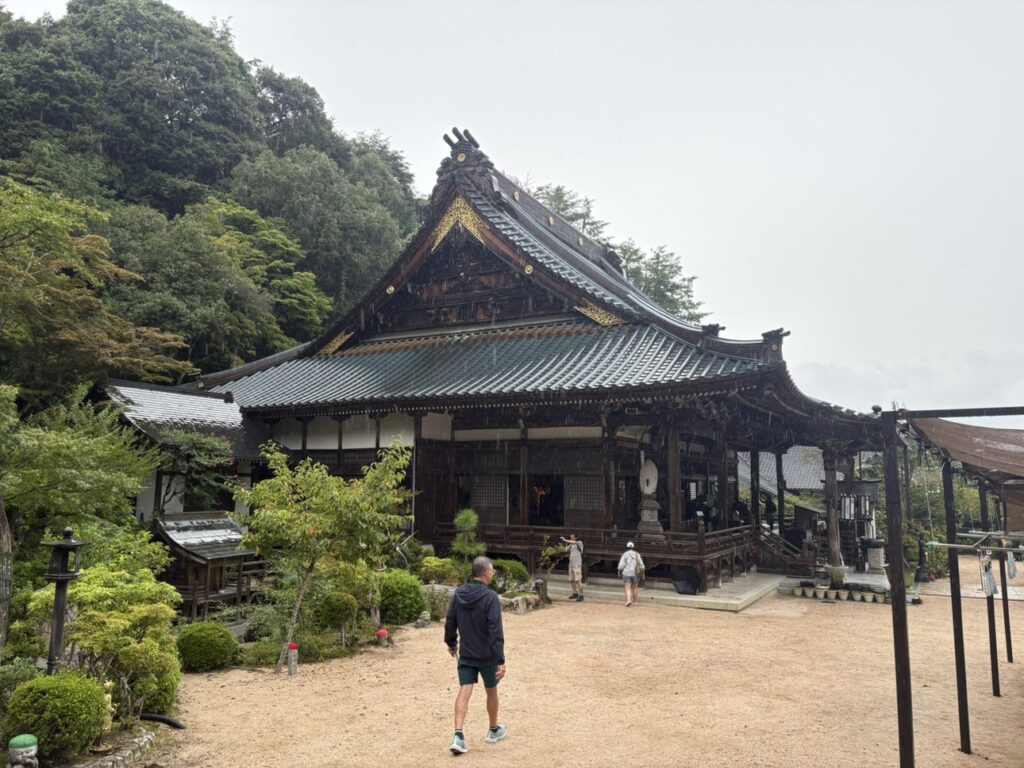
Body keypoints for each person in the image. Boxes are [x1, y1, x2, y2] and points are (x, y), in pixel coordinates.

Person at [444, 556, 507, 755]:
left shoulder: (459, 594)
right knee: (491, 690)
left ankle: (458, 735)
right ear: (486, 572)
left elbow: (450, 620)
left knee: (465, 689)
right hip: (487, 654)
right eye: (492, 571)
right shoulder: (490, 597)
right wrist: (500, 659)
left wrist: (451, 643)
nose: (493, 574)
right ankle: (493, 730)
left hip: (467, 652)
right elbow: (495, 629)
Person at [617, 541, 645, 607]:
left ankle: (628, 600)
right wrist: (642, 570)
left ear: (626, 547)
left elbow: (621, 565)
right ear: (633, 547)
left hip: (627, 573)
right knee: (635, 588)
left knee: (627, 588)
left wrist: (619, 569)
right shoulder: (637, 554)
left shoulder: (625, 554)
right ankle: (635, 602)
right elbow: (642, 566)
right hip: (635, 574)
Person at [560, 533, 585, 601]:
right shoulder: (571, 545)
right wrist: (562, 545)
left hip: (577, 564)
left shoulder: (580, 542)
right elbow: (564, 549)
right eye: (570, 537)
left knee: (578, 580)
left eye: (572, 537)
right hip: (571, 564)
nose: (571, 538)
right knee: (572, 579)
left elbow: (574, 542)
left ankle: (581, 595)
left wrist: (565, 540)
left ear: (576, 537)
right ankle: (575, 593)